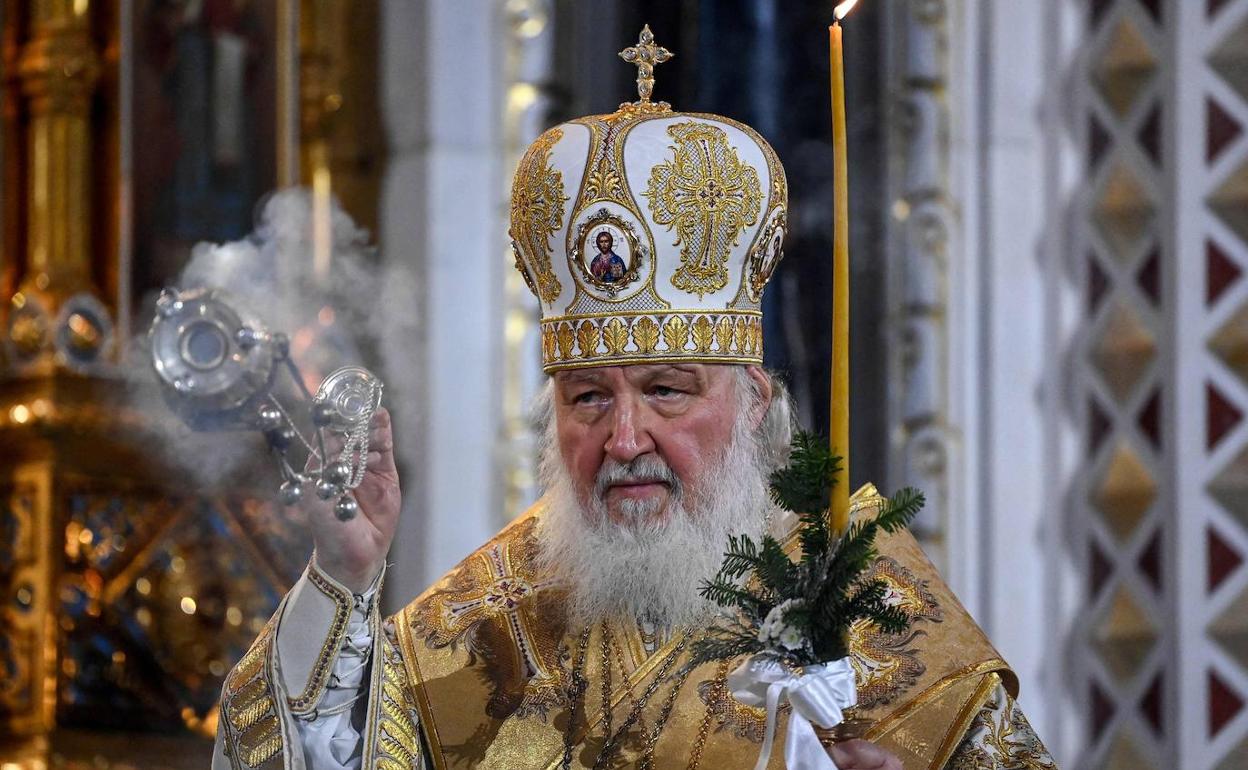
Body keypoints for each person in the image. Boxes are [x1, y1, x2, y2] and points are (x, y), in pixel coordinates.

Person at [213, 31, 1057, 770]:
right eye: (587, 397)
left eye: (665, 390)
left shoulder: (868, 608)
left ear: (754, 402)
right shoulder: (486, 628)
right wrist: (345, 579)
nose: (623, 438)